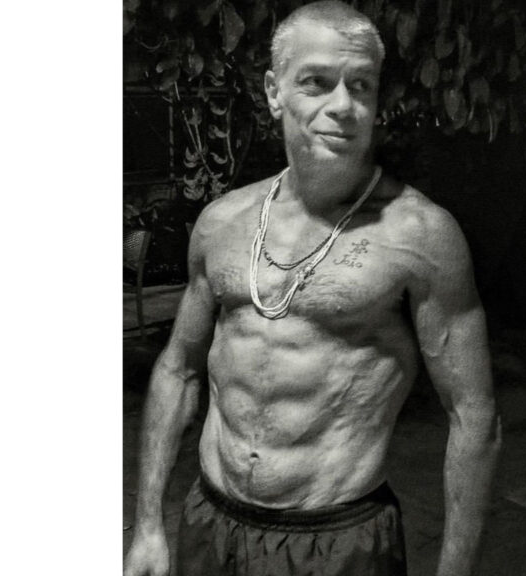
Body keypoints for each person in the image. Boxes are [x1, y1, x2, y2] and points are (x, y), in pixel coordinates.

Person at [123, 2, 500, 575]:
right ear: (274, 92)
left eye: (361, 85)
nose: (343, 105)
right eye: (317, 82)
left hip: (336, 540)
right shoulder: (223, 222)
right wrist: (149, 523)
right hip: (211, 521)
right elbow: (178, 370)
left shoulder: (421, 235)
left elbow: (474, 416)